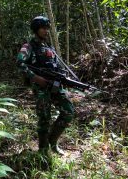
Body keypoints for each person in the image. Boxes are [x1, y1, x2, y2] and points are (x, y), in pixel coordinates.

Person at [17, 16, 74, 156]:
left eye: (47, 28)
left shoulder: (48, 47)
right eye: (43, 28)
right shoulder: (28, 46)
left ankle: (52, 142)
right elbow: (20, 63)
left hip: (54, 85)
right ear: (36, 29)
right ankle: (43, 150)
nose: (46, 31)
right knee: (44, 118)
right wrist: (36, 78)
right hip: (41, 88)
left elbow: (56, 66)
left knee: (68, 111)